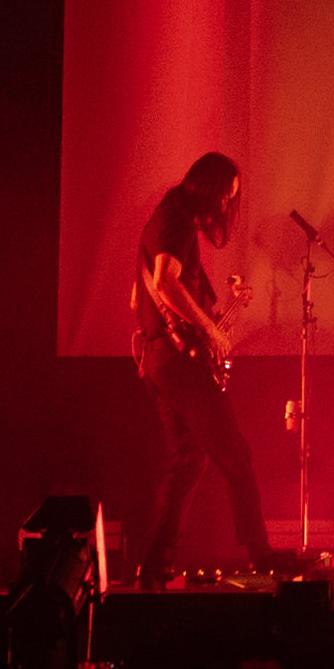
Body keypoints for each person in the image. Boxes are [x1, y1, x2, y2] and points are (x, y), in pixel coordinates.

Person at [131, 151, 276, 588]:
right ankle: (262, 554)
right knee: (235, 452)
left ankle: (155, 562)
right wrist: (209, 329)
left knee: (188, 460)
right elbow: (163, 282)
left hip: (159, 360)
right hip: (176, 363)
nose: (227, 206)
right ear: (211, 190)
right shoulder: (174, 222)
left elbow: (137, 298)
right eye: (227, 196)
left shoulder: (160, 221)